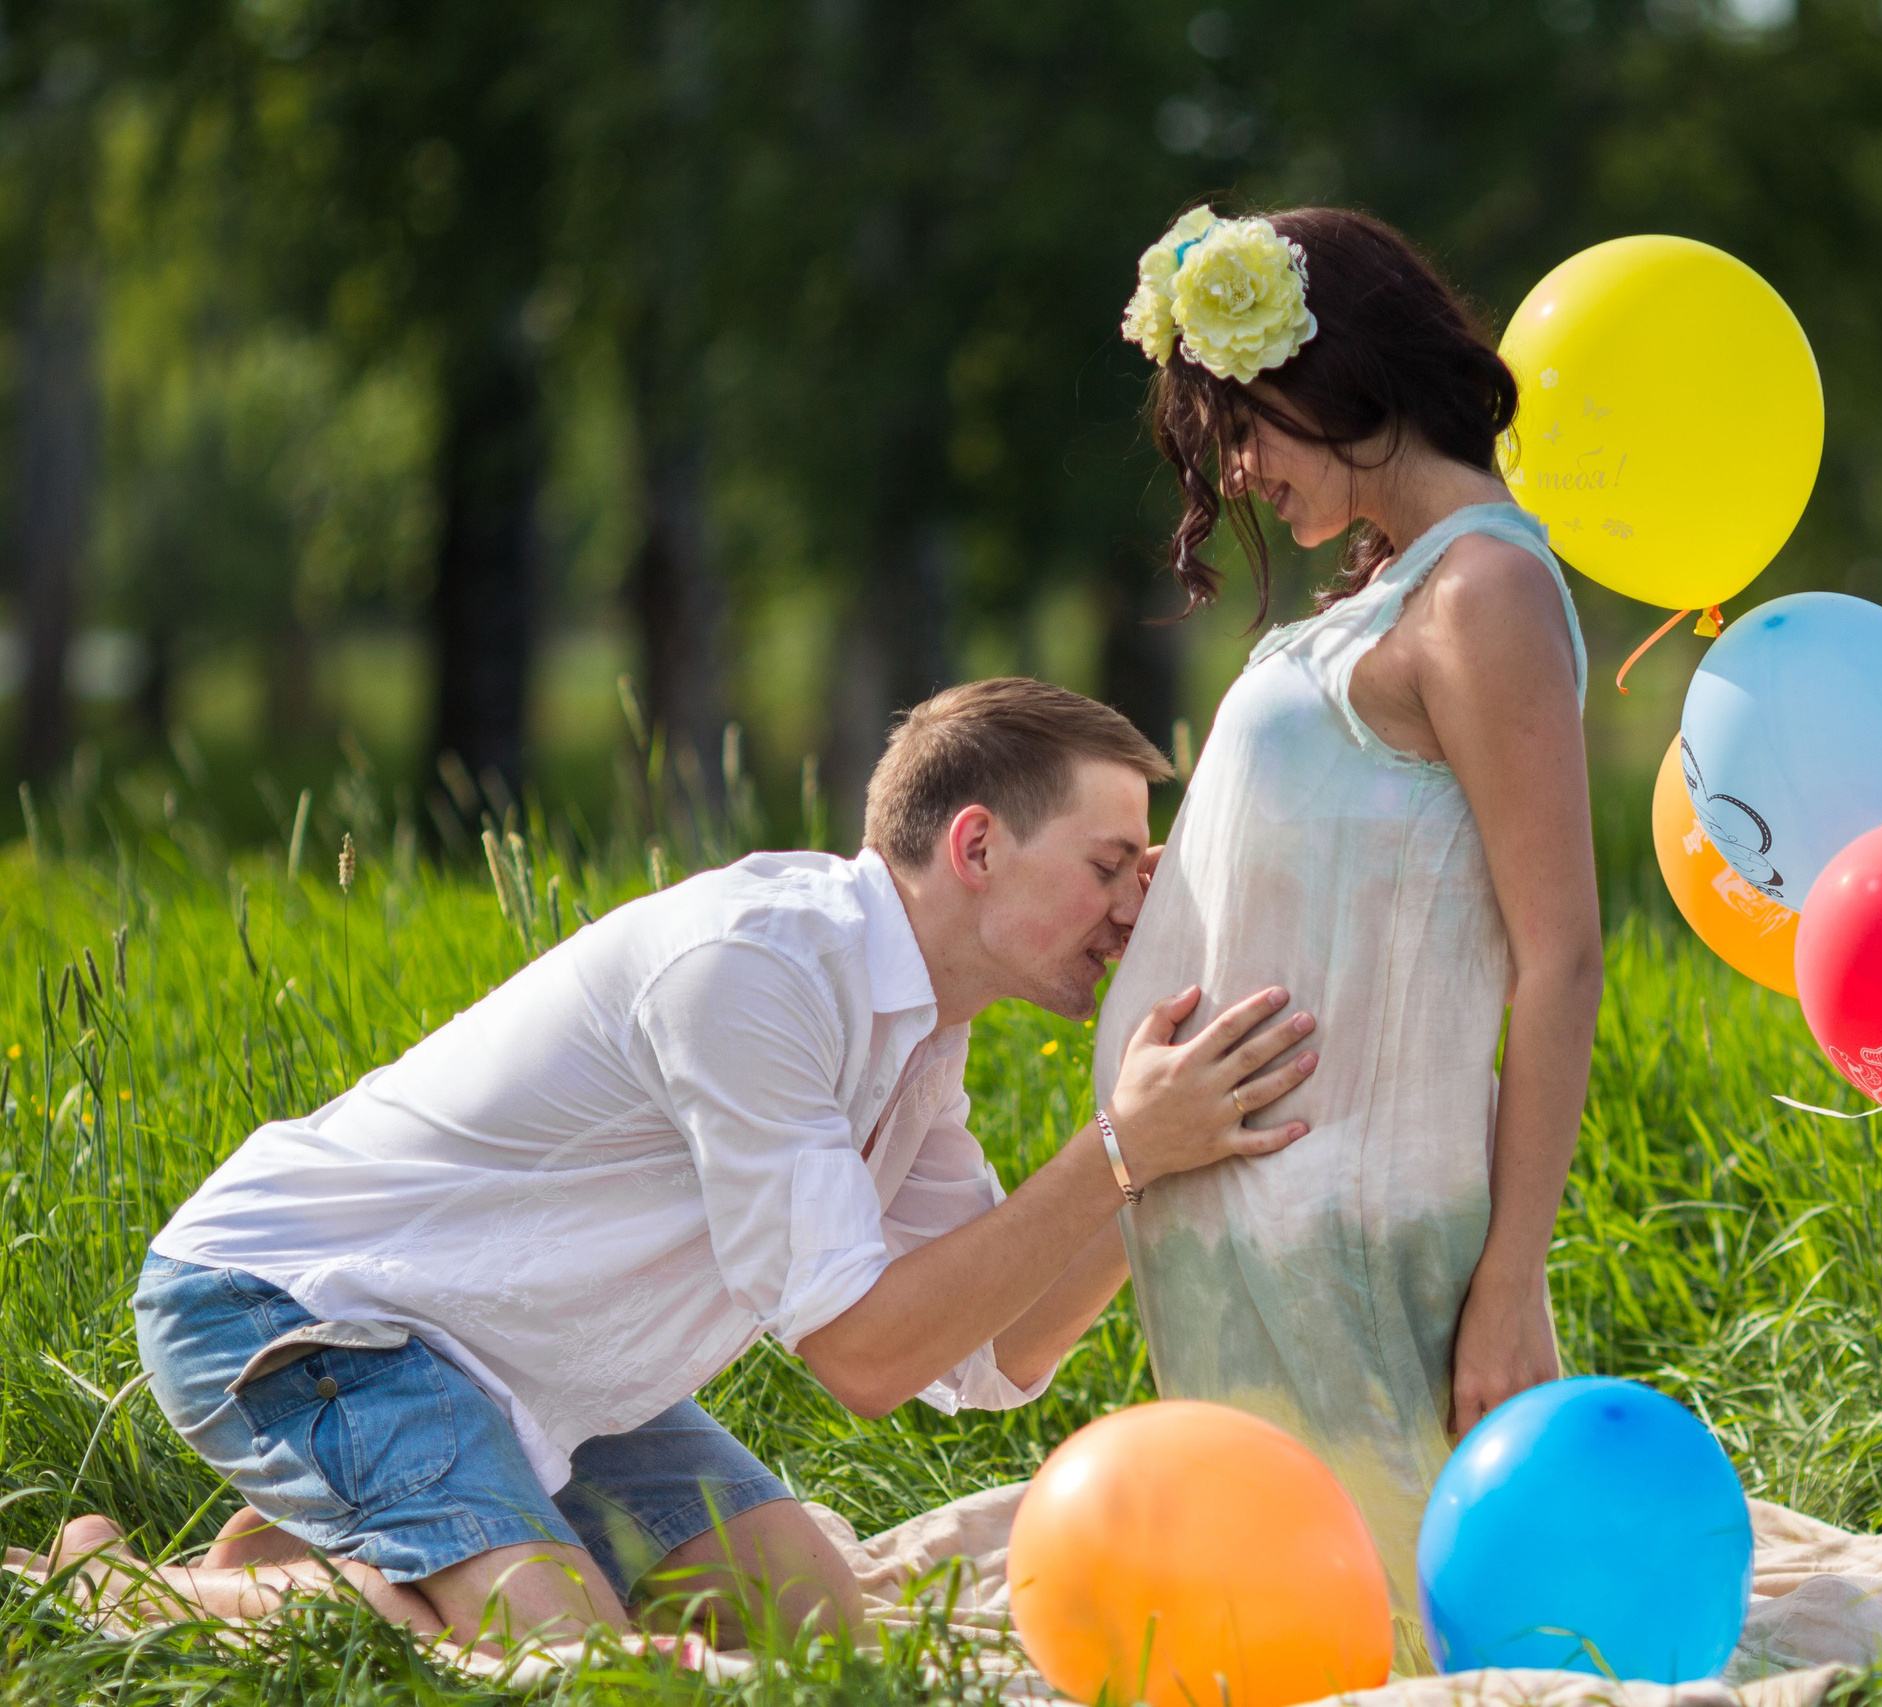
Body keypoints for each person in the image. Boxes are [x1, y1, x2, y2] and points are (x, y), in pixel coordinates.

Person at [46, 679, 1323, 1652]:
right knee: (575, 1653)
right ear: (977, 847)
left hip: (539, 1366)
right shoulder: (755, 971)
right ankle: (122, 1590)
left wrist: (1146, 1147)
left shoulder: (923, 1035)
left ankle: (322, 1547)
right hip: (312, 1309)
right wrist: (1115, 1149)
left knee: (819, 1631)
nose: (1127, 905)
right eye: (1109, 866)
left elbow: (1000, 1355)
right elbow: (865, 1358)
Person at [1097, 206, 1604, 1666]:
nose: (1240, 473)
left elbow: (1559, 951)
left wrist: (1509, 1279)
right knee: (1267, 1643)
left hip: (1358, 1237)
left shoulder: (1483, 587)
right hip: (1242, 1229)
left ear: (1336, 373)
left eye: (1246, 428)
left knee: (1406, 1639)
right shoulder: (1390, 583)